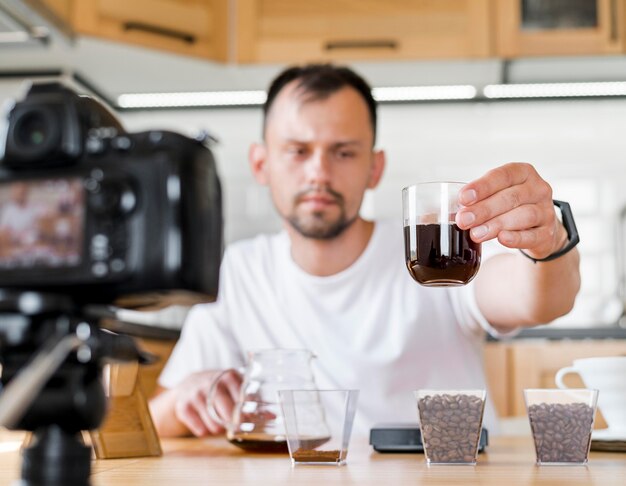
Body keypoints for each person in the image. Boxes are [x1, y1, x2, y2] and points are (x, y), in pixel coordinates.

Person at [149, 64, 581, 438]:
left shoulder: (429, 257)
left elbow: (540, 300)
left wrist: (549, 243)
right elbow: (158, 417)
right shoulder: (240, 273)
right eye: (298, 151)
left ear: (375, 168)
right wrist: (190, 398)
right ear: (261, 164)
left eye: (343, 152)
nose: (319, 172)